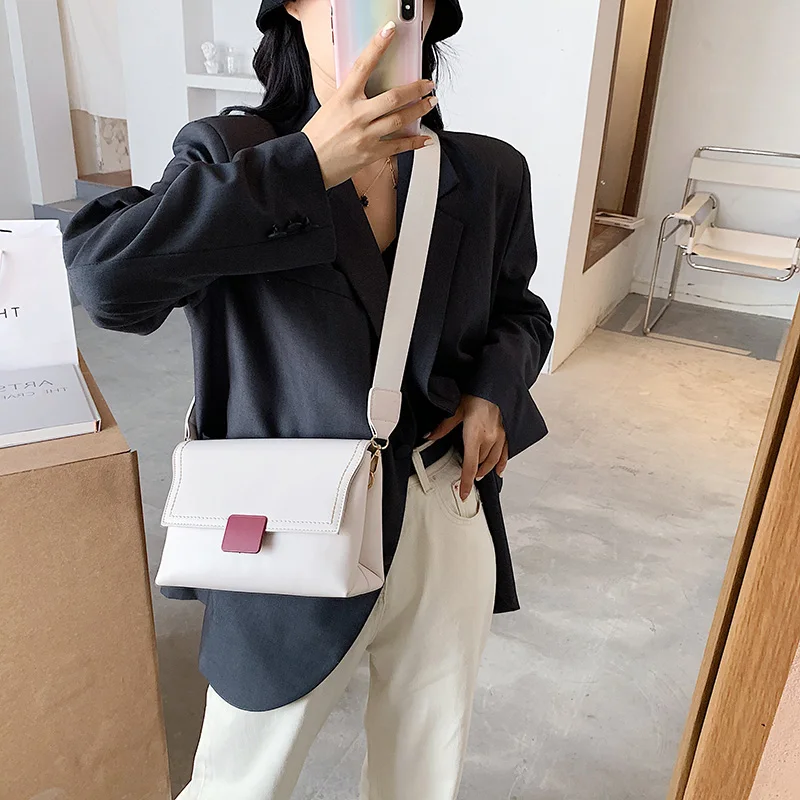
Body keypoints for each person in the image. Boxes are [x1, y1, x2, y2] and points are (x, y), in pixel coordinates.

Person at [64, 0, 553, 797]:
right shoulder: (233, 157)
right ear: (292, 5)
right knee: (240, 781)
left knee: (423, 775)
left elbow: (520, 312)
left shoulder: (487, 173)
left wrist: (494, 392)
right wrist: (304, 167)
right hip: (281, 528)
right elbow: (106, 283)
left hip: (442, 504)